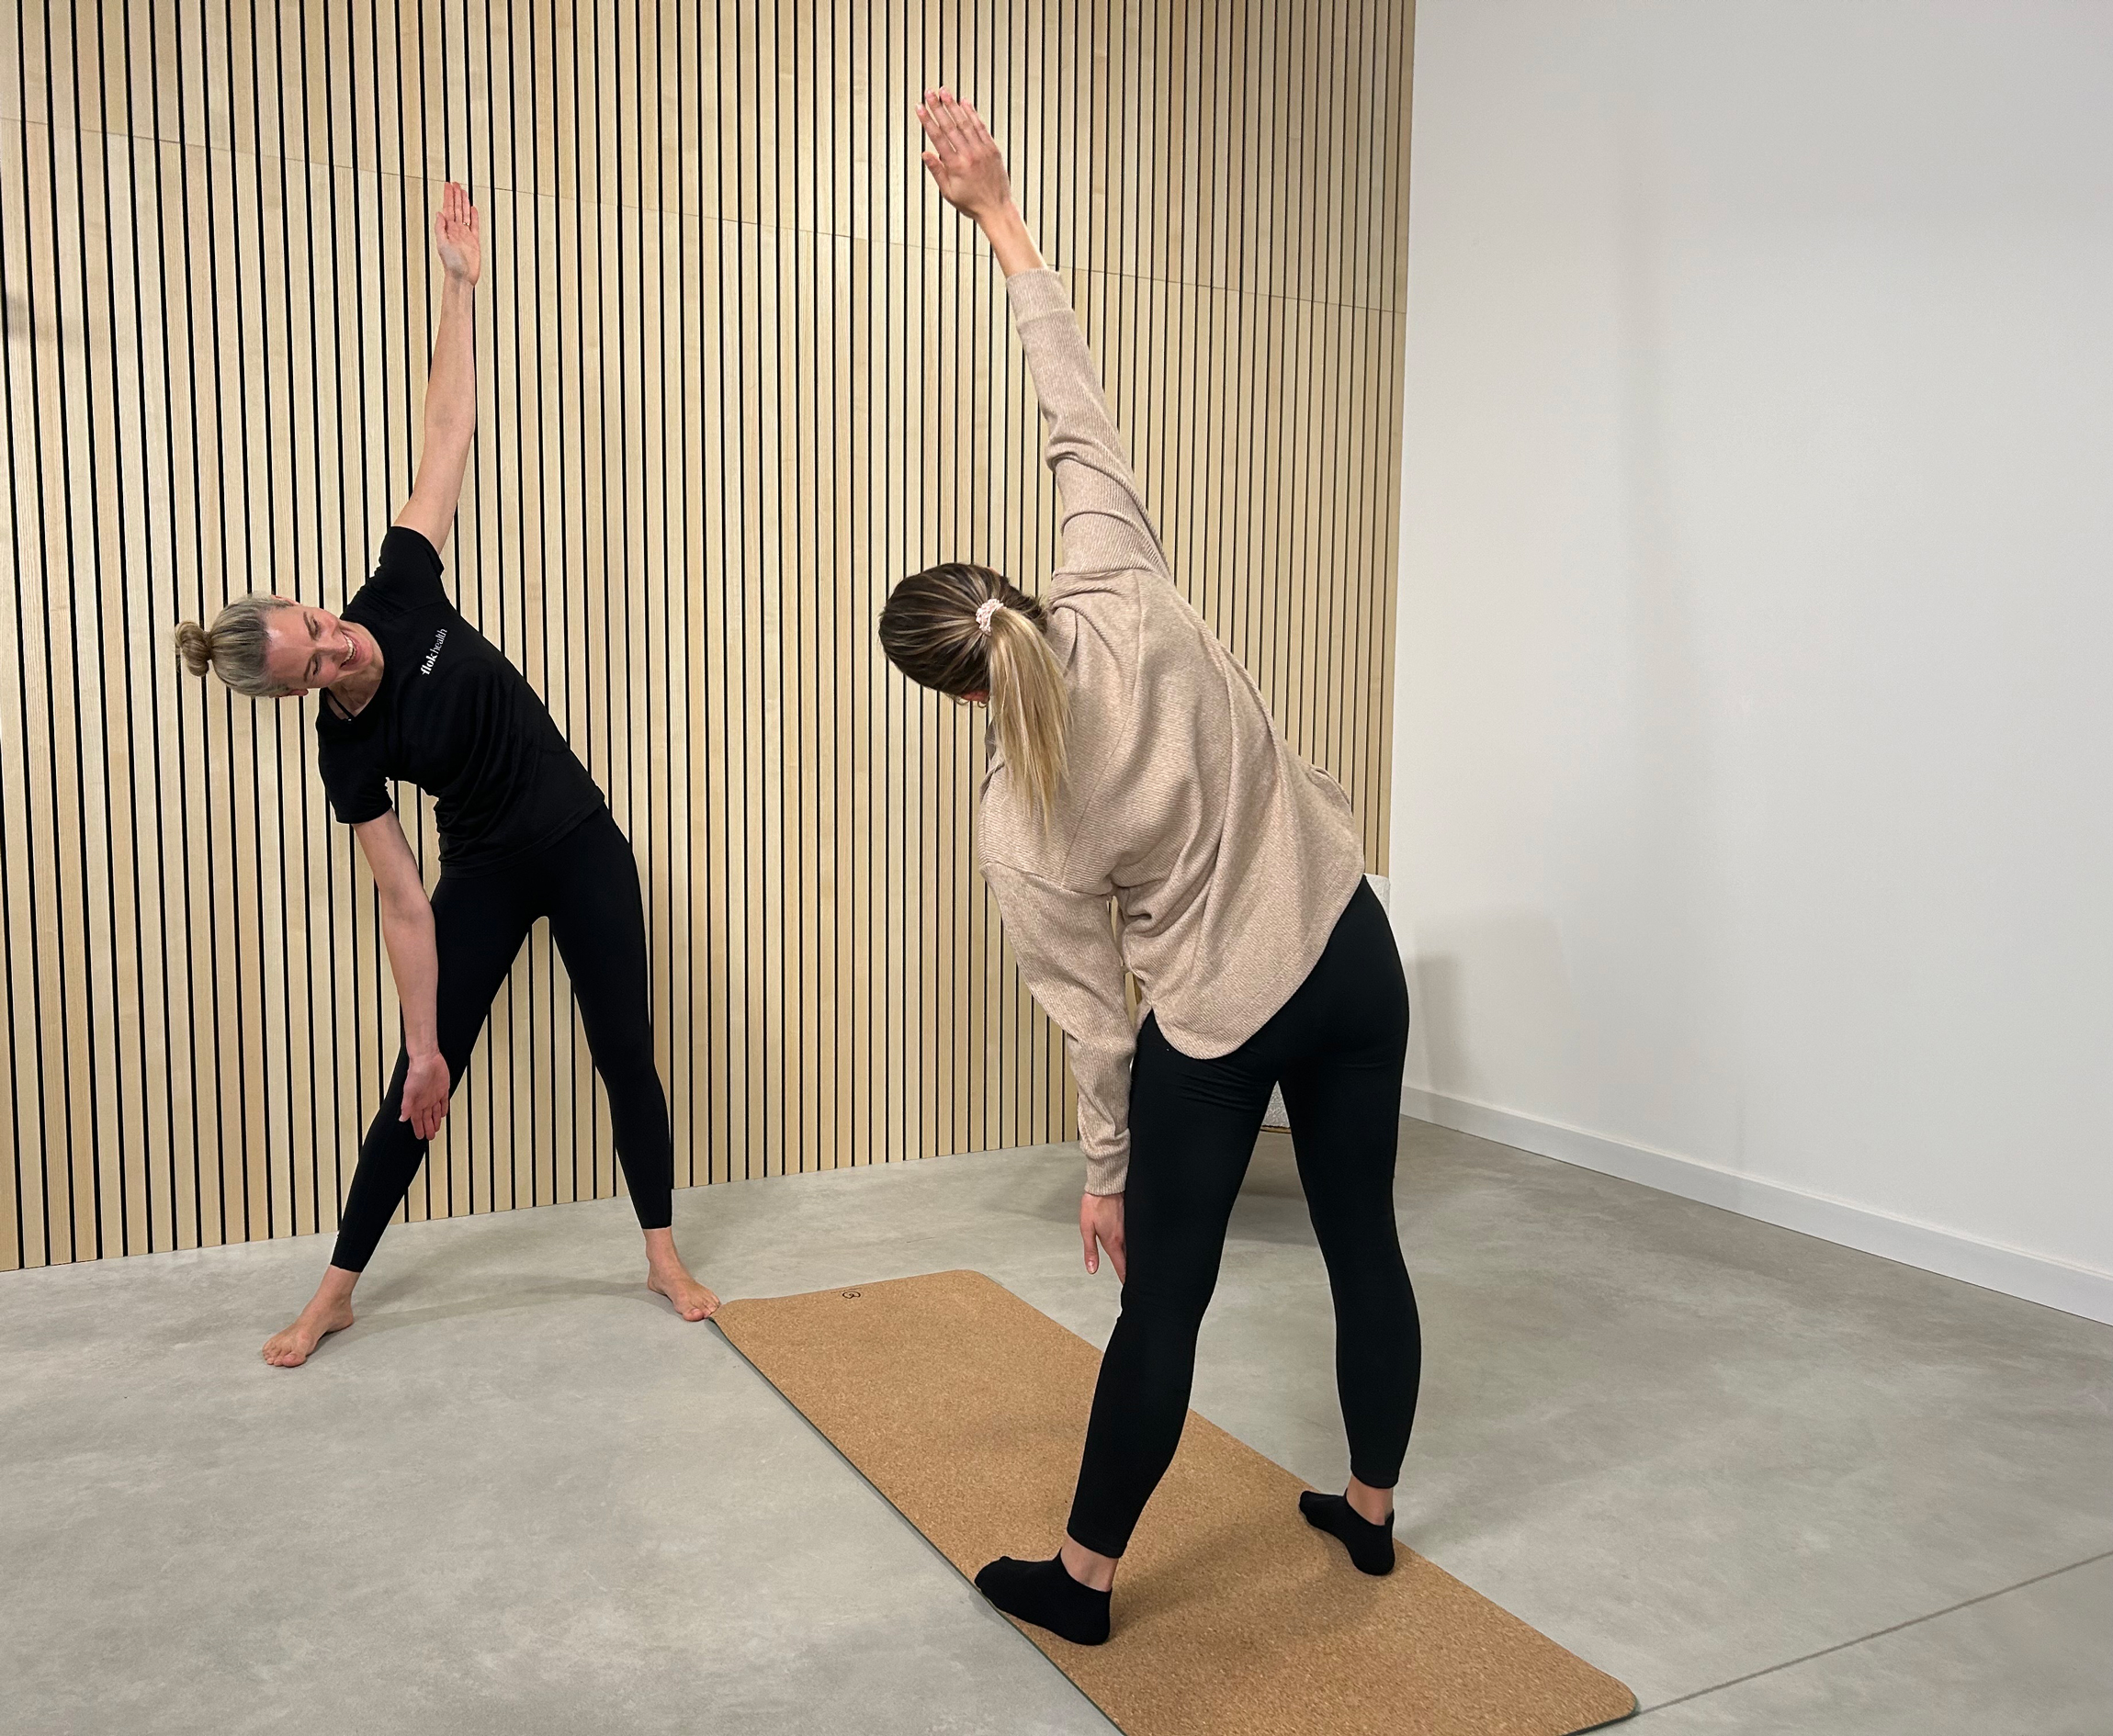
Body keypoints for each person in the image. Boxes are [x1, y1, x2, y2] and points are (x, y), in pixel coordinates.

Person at [881, 91, 1421, 1646]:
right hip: (1353, 945)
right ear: (1011, 591)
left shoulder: (1018, 817)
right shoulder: (1117, 574)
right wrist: (995, 214)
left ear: (960, 693)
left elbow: (1095, 1018)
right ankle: (1371, 1513)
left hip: (1226, 1015)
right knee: (1363, 1239)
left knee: (1160, 1306)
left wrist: (1107, 1174)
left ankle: (1087, 1578)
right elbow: (1073, 396)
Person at [175, 184, 720, 1368]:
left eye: (317, 620)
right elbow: (402, 900)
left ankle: (663, 1248)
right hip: (484, 865)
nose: (337, 642)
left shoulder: (397, 591)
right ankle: (335, 1288)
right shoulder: (349, 751)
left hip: (579, 838)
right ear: (297, 690)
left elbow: (447, 435)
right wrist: (429, 1041)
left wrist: (461, 288)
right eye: (314, 659)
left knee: (623, 1041)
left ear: (311, 599)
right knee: (415, 1082)